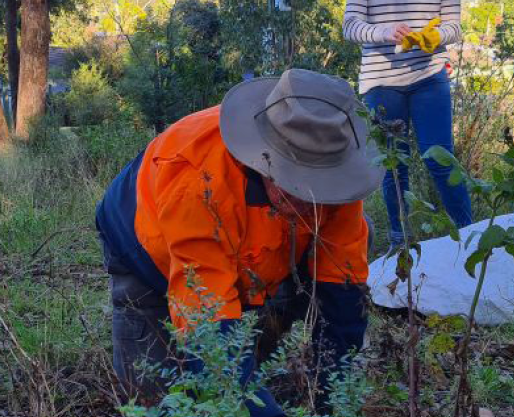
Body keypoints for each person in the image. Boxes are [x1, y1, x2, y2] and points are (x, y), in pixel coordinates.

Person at [95, 69, 382, 416]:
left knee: (246, 363)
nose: (308, 203)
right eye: (294, 184)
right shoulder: (198, 181)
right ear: (263, 160)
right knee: (155, 399)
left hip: (253, 258)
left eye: (320, 188)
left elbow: (343, 299)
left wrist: (335, 400)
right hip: (146, 253)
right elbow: (209, 320)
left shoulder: (339, 178)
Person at [342, 0, 474, 247]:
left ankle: (468, 235)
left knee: (442, 159)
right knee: (393, 165)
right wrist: (384, 32)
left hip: (430, 76)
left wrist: (434, 35)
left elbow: (454, 27)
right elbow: (349, 27)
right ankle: (400, 242)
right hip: (381, 82)